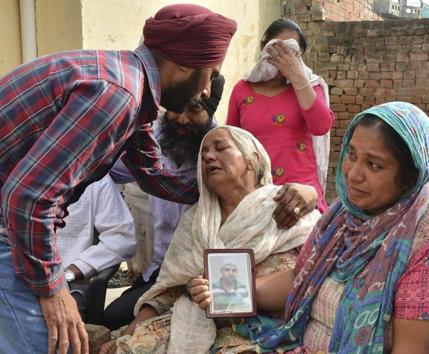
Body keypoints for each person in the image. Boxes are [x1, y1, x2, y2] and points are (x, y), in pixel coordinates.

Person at [0, 4, 236, 353]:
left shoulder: (128, 85)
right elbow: (28, 198)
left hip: (13, 227)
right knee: (53, 343)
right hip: (10, 230)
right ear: (185, 63)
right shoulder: (118, 93)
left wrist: (242, 191)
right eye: (210, 74)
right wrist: (53, 290)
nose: (205, 92)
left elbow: (156, 175)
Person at [235, 102, 429, 353]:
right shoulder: (344, 215)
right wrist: (230, 291)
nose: (353, 174)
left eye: (374, 165)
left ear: (412, 175)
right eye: (352, 155)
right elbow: (298, 279)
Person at [104, 79, 320, 330]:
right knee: (116, 322)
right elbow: (103, 167)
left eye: (194, 111)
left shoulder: (279, 207)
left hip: (257, 314)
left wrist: (310, 191)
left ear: (252, 160)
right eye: (176, 110)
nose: (183, 120)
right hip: (169, 272)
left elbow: (311, 271)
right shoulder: (154, 150)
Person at [227, 18, 334, 212]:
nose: (282, 58)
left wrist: (297, 77)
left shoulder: (309, 86)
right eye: (276, 48)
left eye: (290, 51)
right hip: (255, 192)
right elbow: (232, 141)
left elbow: (321, 126)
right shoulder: (243, 89)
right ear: (263, 48)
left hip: (301, 192)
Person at [56, 174, 136, 319]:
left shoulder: (95, 177)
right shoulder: (11, 173)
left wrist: (74, 270)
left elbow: (122, 237)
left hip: (69, 286)